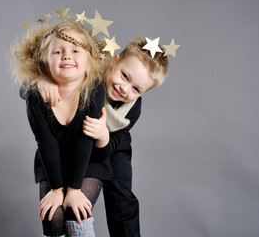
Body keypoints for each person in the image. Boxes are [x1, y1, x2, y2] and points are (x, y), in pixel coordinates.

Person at [37, 39, 169, 237]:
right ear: (114, 62)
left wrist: (103, 136)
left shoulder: (132, 108)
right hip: (73, 139)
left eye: (136, 89)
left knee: (121, 198)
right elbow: (32, 85)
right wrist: (42, 81)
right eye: (124, 76)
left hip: (112, 143)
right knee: (61, 205)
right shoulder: (88, 70)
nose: (125, 89)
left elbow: (109, 148)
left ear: (143, 93)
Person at [11, 18, 111, 237]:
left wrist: (73, 190)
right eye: (58, 52)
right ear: (44, 62)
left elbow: (85, 142)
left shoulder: (94, 89)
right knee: (53, 214)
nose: (66, 56)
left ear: (89, 62)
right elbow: (45, 143)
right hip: (52, 163)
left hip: (87, 163)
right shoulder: (36, 94)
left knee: (75, 211)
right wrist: (57, 189)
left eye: (76, 50)